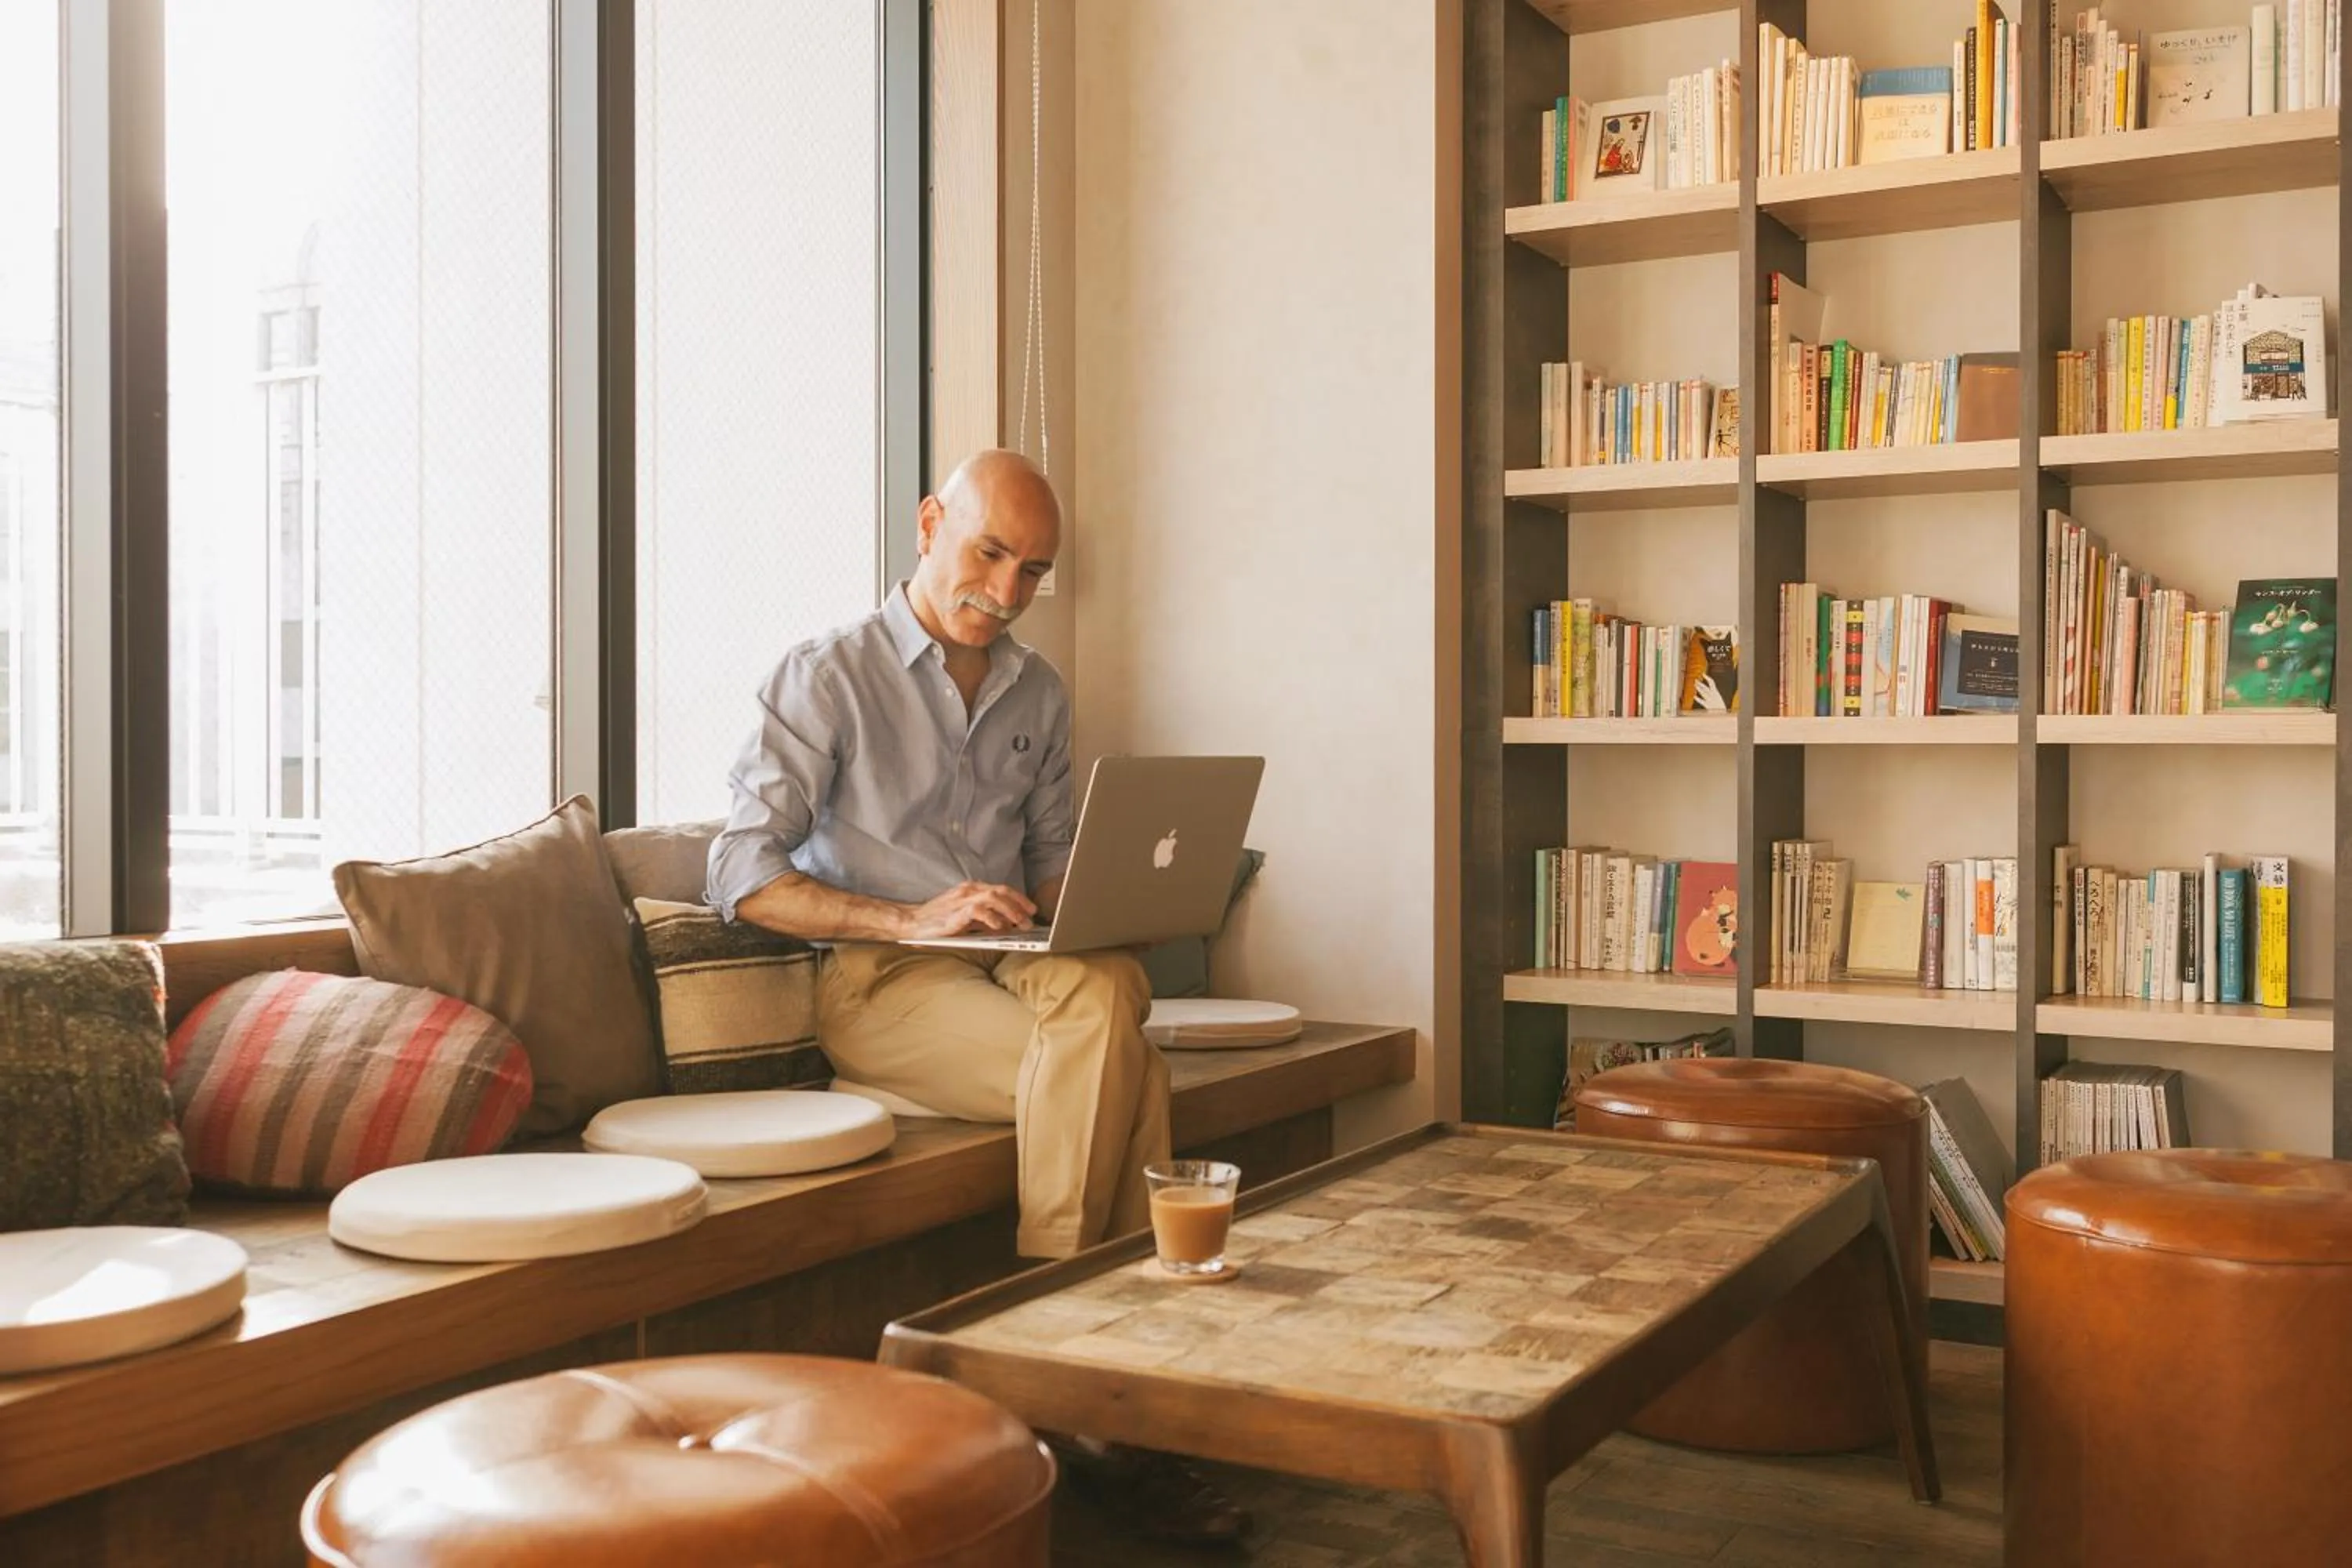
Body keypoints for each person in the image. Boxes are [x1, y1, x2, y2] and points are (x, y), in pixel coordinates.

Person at [705, 448, 1247, 1548]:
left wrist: (1116, 892)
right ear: (927, 524)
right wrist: (909, 918)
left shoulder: (1037, 691)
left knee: (1109, 981)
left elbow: (1053, 869)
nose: (1005, 593)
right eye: (989, 554)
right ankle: (1082, 1346)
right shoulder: (827, 675)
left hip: (1012, 964)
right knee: (1122, 1056)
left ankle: (1060, 1353)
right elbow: (738, 875)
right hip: (882, 978)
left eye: (1033, 571)